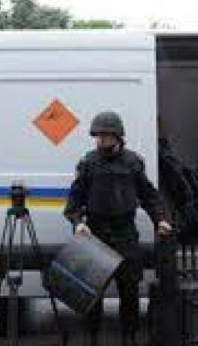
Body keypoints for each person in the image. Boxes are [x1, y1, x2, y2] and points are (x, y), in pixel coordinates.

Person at [63, 111, 173, 346]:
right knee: (92, 295)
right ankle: (92, 339)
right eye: (97, 135)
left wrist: (160, 219)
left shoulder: (133, 163)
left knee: (130, 292)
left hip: (125, 234)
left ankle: (129, 338)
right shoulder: (88, 163)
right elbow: (73, 202)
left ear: (117, 136)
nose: (100, 139)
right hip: (96, 235)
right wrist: (78, 222)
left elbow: (149, 196)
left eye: (104, 135)